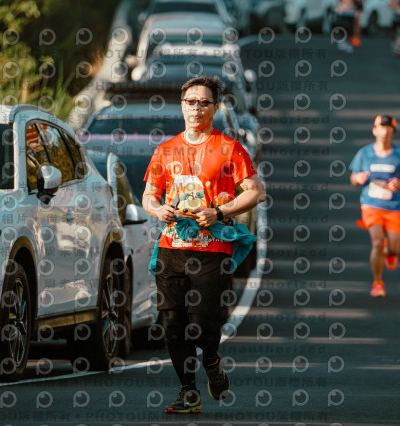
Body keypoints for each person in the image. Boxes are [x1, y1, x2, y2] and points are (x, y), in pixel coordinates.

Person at [142, 75, 265, 414]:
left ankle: (211, 361)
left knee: (203, 325)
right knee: (173, 324)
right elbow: (149, 195)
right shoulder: (165, 150)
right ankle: (188, 392)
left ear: (215, 107)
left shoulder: (229, 148)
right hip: (172, 247)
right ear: (182, 106)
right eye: (190, 102)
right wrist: (157, 209)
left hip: (212, 249)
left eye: (204, 102)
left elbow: (256, 191)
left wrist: (219, 212)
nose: (196, 108)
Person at [350, 115, 400, 297]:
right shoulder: (364, 153)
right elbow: (353, 178)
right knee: (377, 242)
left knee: (394, 248)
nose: (384, 132)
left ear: (393, 132)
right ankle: (377, 283)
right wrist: (358, 178)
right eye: (381, 127)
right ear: (374, 130)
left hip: (394, 206)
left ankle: (390, 252)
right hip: (371, 205)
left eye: (388, 128)